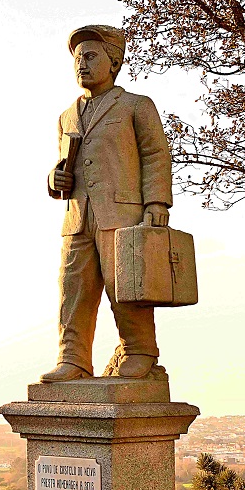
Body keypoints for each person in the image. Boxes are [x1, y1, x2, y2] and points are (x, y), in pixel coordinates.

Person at [40, 25, 172, 383]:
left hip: (123, 213)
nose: (81, 64)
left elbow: (155, 154)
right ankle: (73, 358)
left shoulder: (136, 106)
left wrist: (157, 202)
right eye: (77, 58)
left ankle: (139, 350)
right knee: (73, 288)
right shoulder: (66, 116)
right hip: (78, 217)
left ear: (113, 62)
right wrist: (54, 179)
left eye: (90, 56)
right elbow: (64, 164)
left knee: (126, 285)